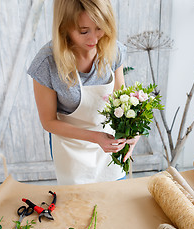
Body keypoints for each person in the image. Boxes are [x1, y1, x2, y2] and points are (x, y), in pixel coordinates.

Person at [27, 0, 139, 185]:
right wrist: (95, 137)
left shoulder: (113, 50)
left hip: (109, 145)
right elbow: (48, 121)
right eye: (84, 31)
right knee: (78, 207)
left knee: (116, 201)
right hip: (71, 149)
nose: (94, 39)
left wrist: (132, 132)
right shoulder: (47, 63)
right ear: (64, 26)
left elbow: (122, 100)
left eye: (100, 28)